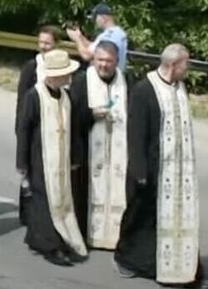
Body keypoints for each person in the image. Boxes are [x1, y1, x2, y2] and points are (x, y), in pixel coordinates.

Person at [115, 44, 203, 287]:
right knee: (139, 214)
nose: (188, 68)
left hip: (175, 169)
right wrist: (139, 169)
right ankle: (126, 257)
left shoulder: (178, 87)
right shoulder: (145, 89)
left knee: (164, 219)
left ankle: (167, 263)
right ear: (174, 65)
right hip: (150, 166)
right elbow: (136, 131)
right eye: (186, 64)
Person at [16, 50, 88, 266]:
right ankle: (52, 246)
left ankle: (43, 238)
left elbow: (72, 130)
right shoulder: (34, 96)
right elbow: (24, 130)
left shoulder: (66, 96)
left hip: (62, 160)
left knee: (62, 201)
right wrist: (22, 162)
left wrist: (75, 157)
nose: (69, 78)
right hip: (41, 159)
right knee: (44, 202)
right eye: (66, 75)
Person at [69, 41, 129, 250]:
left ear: (117, 62)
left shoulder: (127, 81)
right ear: (93, 60)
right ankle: (89, 235)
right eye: (100, 60)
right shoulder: (81, 81)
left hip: (120, 155)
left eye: (109, 61)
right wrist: (91, 114)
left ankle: (116, 236)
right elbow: (72, 117)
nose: (104, 65)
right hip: (89, 153)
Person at [15, 26, 61, 130]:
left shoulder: (64, 68)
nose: (43, 46)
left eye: (47, 43)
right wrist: (21, 127)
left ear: (56, 44)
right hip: (36, 121)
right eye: (41, 42)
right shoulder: (31, 67)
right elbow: (22, 99)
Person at [67, 3, 129, 70]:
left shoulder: (109, 35)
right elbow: (93, 46)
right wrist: (80, 35)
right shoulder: (117, 33)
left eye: (95, 18)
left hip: (105, 78)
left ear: (103, 17)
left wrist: (77, 39)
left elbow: (86, 55)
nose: (95, 21)